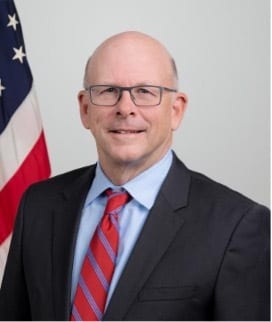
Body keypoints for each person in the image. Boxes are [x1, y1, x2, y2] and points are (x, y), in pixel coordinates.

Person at [0, 31, 269, 321]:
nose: (125, 108)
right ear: (85, 109)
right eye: (107, 91)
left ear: (176, 110)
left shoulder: (237, 225)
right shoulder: (38, 205)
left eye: (145, 92)